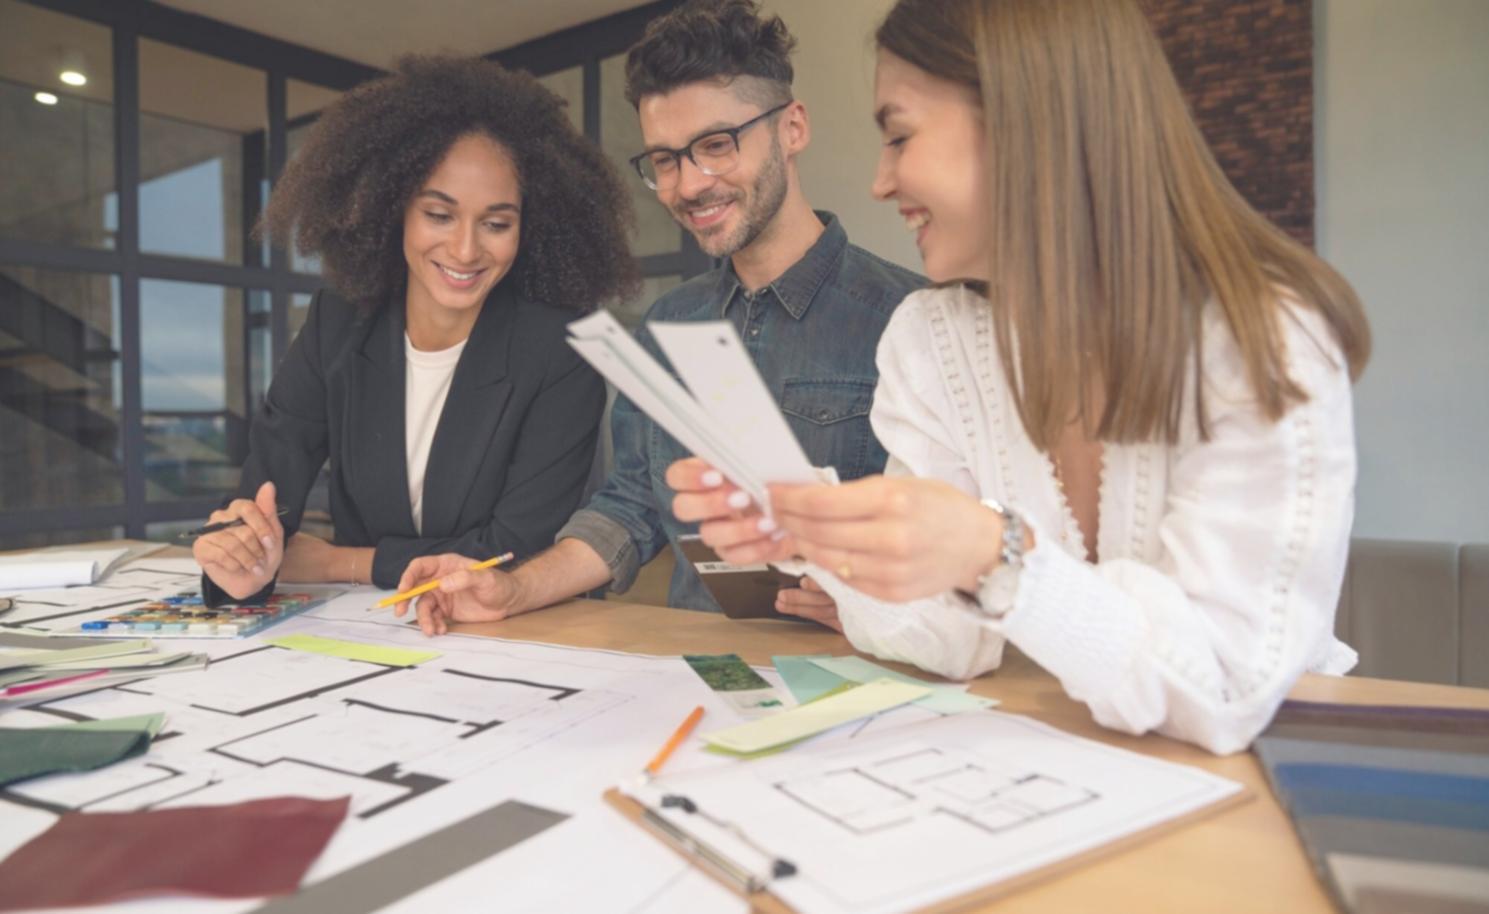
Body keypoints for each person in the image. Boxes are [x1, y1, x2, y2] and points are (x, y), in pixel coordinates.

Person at [667, 0, 1371, 754]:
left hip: (1277, 767)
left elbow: (1225, 688)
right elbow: (948, 640)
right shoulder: (929, 338)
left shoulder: (1264, 337)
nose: (880, 181)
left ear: (1027, 122)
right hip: (1077, 757)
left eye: (899, 136)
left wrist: (993, 553)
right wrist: (818, 535)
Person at [392, 0, 923, 631]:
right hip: (697, 666)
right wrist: (512, 590)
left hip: (859, 673)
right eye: (665, 160)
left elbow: (955, 550)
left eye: (717, 145)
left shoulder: (910, 322)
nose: (690, 185)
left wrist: (876, 608)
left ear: (792, 128)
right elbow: (631, 505)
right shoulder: (669, 323)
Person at [193, 56, 637, 604]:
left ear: (530, 227)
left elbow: (513, 552)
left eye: (497, 223)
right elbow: (264, 502)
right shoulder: (337, 323)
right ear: (391, 208)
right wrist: (239, 556)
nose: (466, 250)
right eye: (439, 215)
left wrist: (339, 562)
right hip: (370, 630)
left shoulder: (560, 349)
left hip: (514, 630)